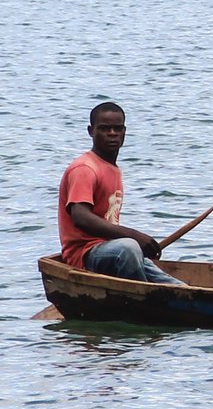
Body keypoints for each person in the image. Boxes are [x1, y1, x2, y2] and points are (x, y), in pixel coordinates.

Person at [57, 101, 186, 285]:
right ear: (90, 131)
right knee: (130, 247)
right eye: (104, 128)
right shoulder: (85, 168)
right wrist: (134, 236)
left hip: (111, 250)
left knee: (178, 287)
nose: (112, 133)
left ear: (124, 132)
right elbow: (80, 217)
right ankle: (142, 300)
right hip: (85, 256)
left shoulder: (112, 169)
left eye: (117, 129)